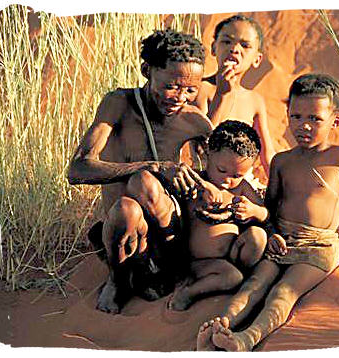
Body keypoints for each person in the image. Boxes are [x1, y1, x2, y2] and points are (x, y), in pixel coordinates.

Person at [196, 73, 339, 351]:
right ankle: (222, 325)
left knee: (283, 292)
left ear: (334, 121)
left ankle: (246, 338)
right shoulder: (281, 161)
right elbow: (272, 208)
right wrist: (273, 233)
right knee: (254, 284)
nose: (304, 126)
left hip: (319, 246)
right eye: (296, 116)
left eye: (315, 119)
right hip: (282, 241)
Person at [67, 29, 213, 314]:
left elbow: (218, 172)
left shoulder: (195, 122)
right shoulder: (118, 104)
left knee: (145, 185)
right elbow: (77, 169)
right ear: (147, 70)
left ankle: (171, 270)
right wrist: (154, 167)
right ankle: (118, 280)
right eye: (171, 86)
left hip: (166, 230)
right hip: (123, 225)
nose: (180, 97)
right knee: (131, 200)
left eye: (190, 89)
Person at [167, 120, 269, 311]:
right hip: (201, 262)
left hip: (233, 256)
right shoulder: (196, 181)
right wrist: (200, 188)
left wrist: (253, 211)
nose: (228, 180)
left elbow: (265, 214)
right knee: (232, 277)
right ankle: (189, 292)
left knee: (258, 236)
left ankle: (246, 278)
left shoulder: (242, 188)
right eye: (222, 170)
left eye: (238, 175)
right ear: (207, 155)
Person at [195, 15, 275, 175]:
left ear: (257, 59)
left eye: (245, 45)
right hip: (207, 178)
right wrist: (222, 95)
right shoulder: (200, 89)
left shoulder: (254, 101)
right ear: (213, 48)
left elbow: (267, 155)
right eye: (226, 42)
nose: (234, 49)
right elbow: (200, 148)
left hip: (241, 181)